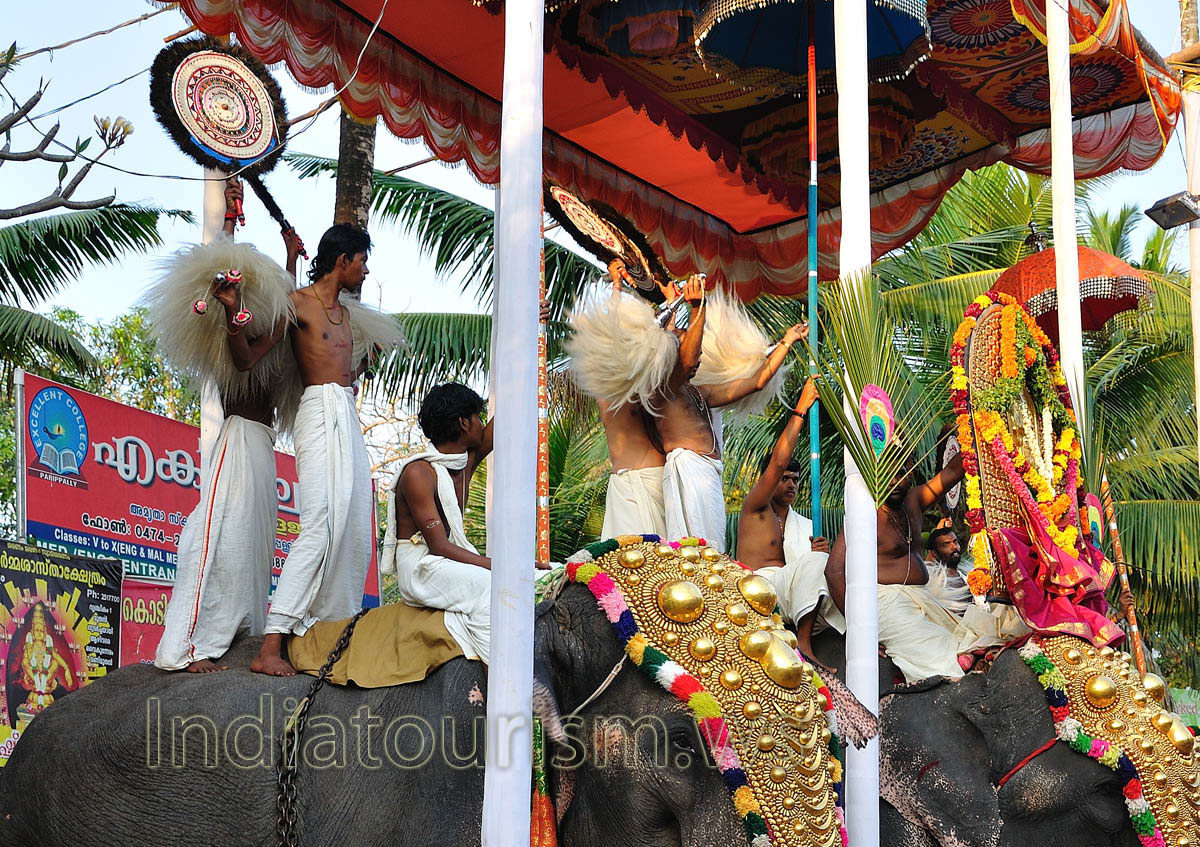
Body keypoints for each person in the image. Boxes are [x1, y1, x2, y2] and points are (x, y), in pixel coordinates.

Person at [150, 177, 301, 673]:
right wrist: (229, 222)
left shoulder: (263, 324)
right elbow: (245, 356)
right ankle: (185, 646)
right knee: (215, 536)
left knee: (251, 546)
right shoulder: (228, 332)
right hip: (236, 442)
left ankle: (235, 633)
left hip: (262, 446)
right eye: (237, 294)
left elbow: (283, 306)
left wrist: (290, 258)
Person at [248, 223, 399, 676]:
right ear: (342, 260)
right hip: (316, 410)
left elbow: (343, 371)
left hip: (346, 411)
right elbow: (254, 350)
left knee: (354, 523)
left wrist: (361, 365)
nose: (366, 271)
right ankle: (270, 645)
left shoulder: (347, 316)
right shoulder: (298, 303)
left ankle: (332, 627)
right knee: (321, 523)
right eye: (362, 261)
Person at [381, 376, 553, 665]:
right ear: (464, 423)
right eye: (477, 417)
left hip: (446, 560)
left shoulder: (464, 461)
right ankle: (498, 674)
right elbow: (439, 546)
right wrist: (505, 566)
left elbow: (506, 418)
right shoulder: (418, 474)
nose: (481, 424)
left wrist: (524, 377)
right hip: (421, 566)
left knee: (548, 575)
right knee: (491, 587)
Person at [657, 288, 806, 551]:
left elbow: (757, 382)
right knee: (689, 552)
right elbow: (671, 345)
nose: (698, 356)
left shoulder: (701, 393)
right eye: (691, 347)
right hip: (687, 470)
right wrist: (694, 306)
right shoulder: (665, 386)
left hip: (711, 474)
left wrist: (787, 341)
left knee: (714, 553)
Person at [566, 260, 702, 539]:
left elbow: (664, 347)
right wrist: (616, 287)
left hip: (660, 483)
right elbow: (610, 337)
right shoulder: (610, 389)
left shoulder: (651, 384)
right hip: (628, 490)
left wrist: (674, 304)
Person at [824, 454, 968, 683]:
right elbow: (833, 571)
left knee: (967, 638)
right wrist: (859, 632)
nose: (894, 481)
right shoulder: (865, 510)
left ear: (910, 472)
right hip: (884, 601)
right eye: (887, 475)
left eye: (900, 473)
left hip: (921, 597)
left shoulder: (914, 500)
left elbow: (952, 471)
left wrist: (976, 433)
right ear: (876, 477)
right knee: (940, 652)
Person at [736, 379, 839, 662]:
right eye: (784, 478)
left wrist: (821, 555)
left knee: (833, 567)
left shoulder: (807, 525)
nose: (791, 484)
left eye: (795, 479)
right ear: (768, 480)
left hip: (795, 597)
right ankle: (803, 644)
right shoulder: (755, 508)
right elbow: (777, 462)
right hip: (759, 591)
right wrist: (801, 408)